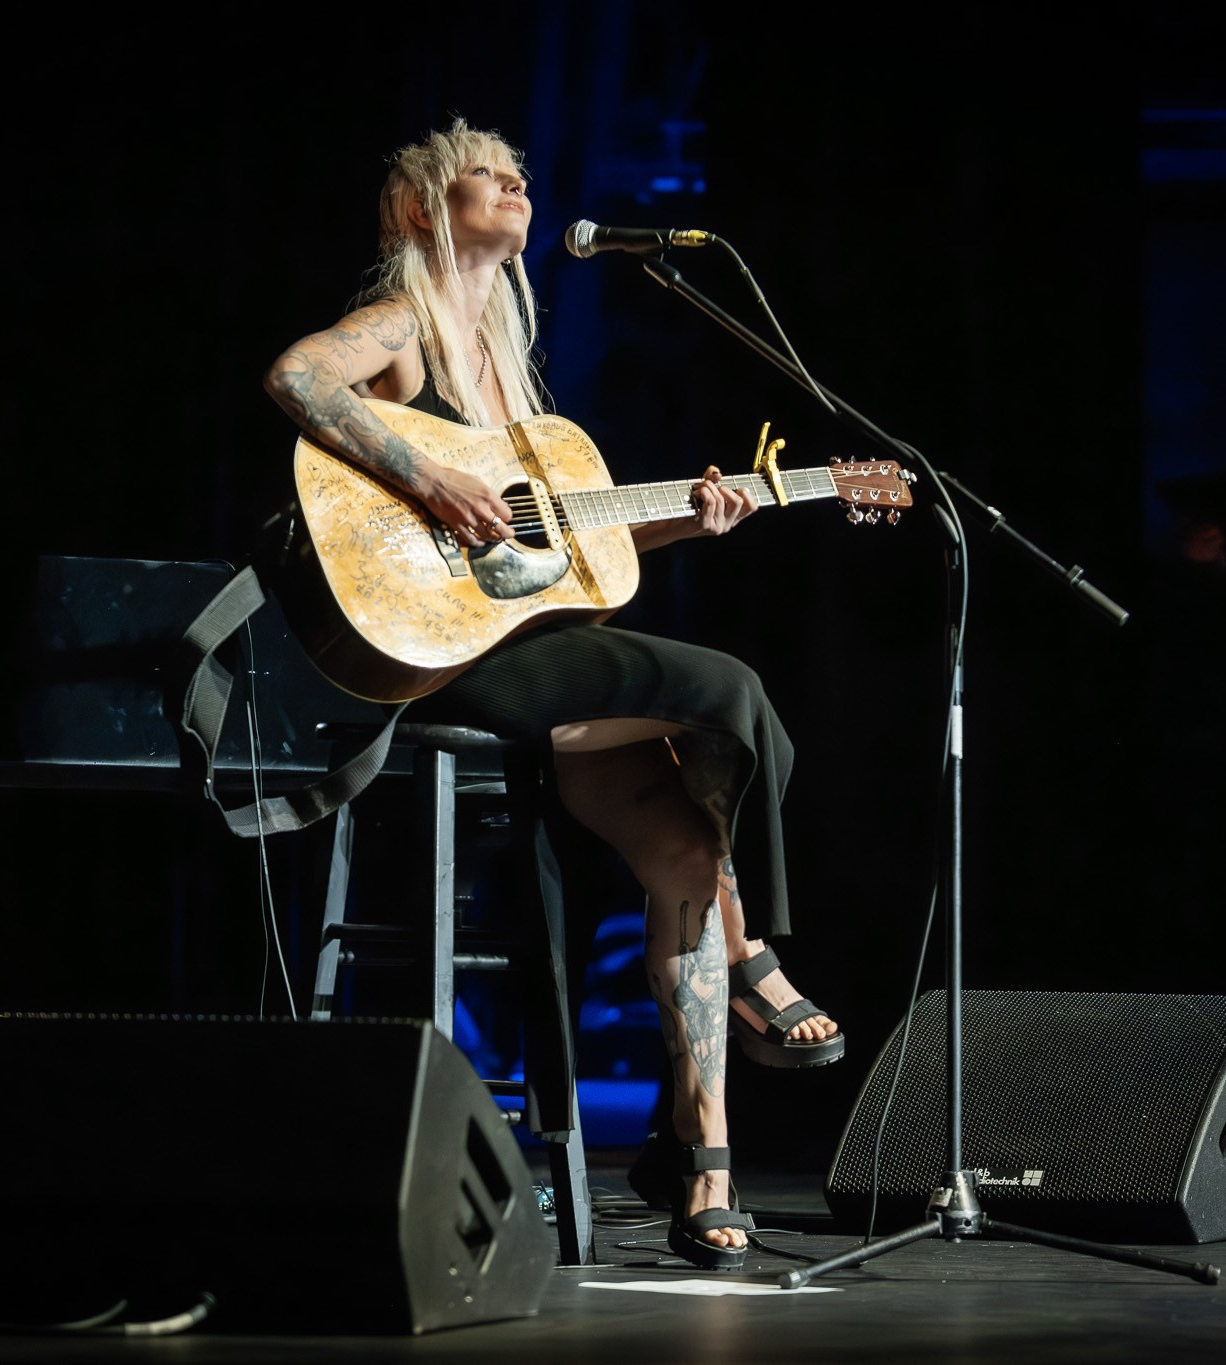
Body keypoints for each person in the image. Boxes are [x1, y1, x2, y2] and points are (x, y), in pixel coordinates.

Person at [262, 117, 842, 1272]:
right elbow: (294, 375)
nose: (517, 183)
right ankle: (755, 959)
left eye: (520, 172)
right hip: (444, 657)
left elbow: (566, 554)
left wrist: (705, 512)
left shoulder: (514, 372)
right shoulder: (405, 324)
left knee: (682, 841)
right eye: (488, 172)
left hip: (533, 653)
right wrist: (426, 471)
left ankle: (699, 1156)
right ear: (423, 207)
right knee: (724, 688)